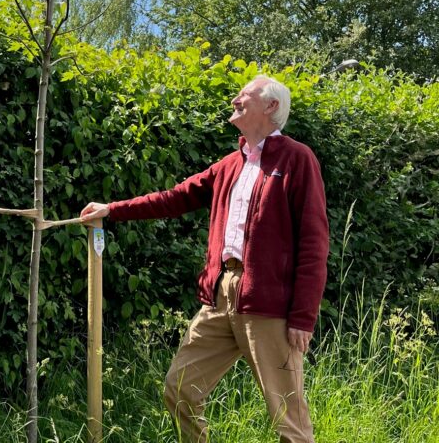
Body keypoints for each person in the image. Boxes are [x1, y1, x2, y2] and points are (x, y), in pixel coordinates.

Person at [81, 75, 328, 443]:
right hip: (220, 296)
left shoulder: (297, 159)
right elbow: (174, 198)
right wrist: (112, 209)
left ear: (271, 106)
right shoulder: (229, 165)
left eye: (245, 94)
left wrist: (303, 316)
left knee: (287, 417)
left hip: (269, 305)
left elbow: (314, 242)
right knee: (180, 388)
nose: (235, 99)